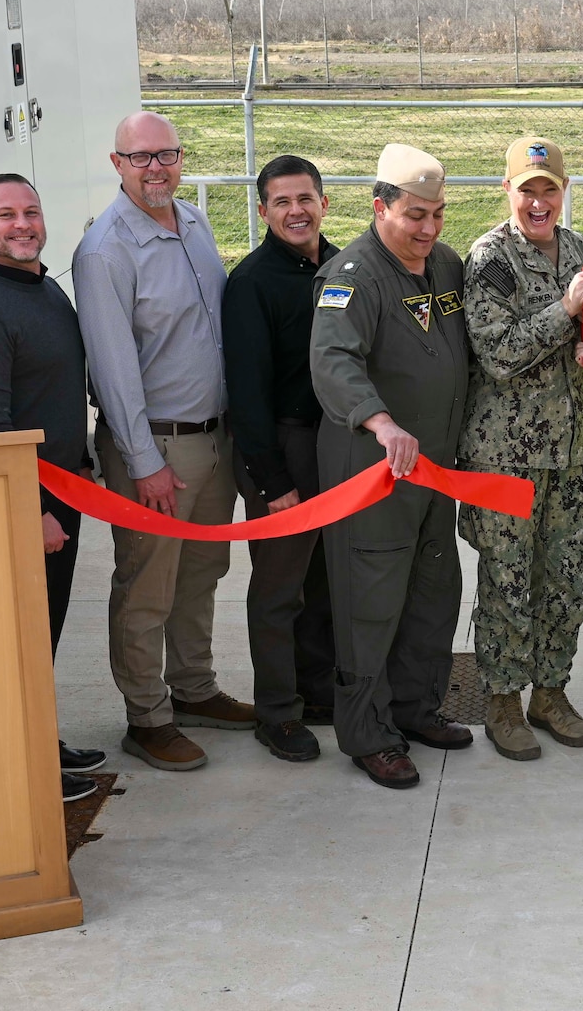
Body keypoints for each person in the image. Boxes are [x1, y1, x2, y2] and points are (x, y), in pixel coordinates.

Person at [76, 111, 252, 773]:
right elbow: (114, 369)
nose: (157, 168)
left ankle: (196, 688)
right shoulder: (105, 251)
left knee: (201, 575)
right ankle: (147, 717)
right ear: (117, 163)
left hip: (213, 440)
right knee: (147, 583)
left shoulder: (195, 224)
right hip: (156, 449)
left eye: (167, 155)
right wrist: (144, 462)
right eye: (141, 157)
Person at [310, 143, 474, 789]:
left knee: (434, 596)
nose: (428, 229)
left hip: (435, 472)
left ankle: (415, 707)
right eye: (414, 215)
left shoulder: (446, 266)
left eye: (437, 214)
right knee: (370, 605)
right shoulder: (351, 275)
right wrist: (379, 421)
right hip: (374, 474)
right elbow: (334, 362)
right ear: (380, 208)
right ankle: (369, 734)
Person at [0, 173, 106, 804]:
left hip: (66, 490)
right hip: (29, 503)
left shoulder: (45, 289)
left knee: (47, 629)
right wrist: (31, 513)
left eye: (30, 211)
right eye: (5, 215)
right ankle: (27, 767)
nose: (22, 224)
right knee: (21, 635)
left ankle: (43, 739)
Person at [457, 137, 583, 761]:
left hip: (571, 450)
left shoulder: (578, 249)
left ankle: (551, 691)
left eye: (549, 189)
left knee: (565, 579)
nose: (538, 202)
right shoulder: (490, 258)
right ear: (508, 191)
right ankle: (501, 701)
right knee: (507, 583)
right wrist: (564, 311)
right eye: (527, 190)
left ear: (562, 191)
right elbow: (498, 353)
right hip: (507, 456)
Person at [221, 155, 341, 765]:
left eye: (306, 199)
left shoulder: (345, 267)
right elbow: (246, 395)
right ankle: (277, 711)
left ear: (323, 202)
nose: (296, 211)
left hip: (334, 445)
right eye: (282, 203)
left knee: (321, 582)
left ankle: (317, 688)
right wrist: (273, 482)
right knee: (278, 588)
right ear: (264, 211)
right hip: (282, 447)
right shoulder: (251, 284)